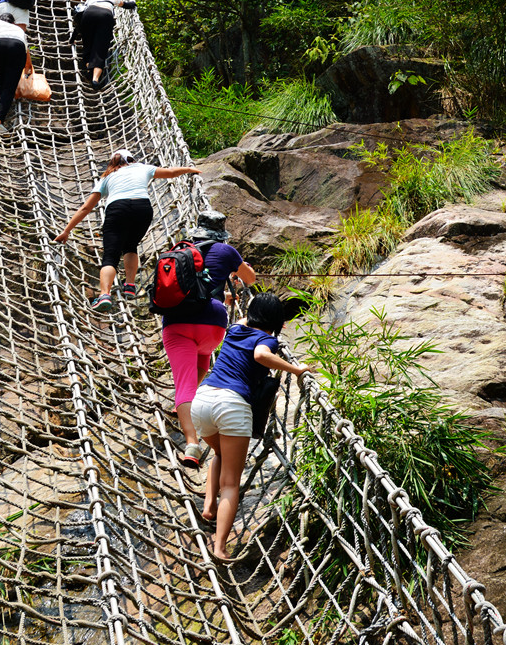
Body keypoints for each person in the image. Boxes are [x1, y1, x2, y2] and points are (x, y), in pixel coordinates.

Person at [191, 292, 316, 561]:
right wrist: (298, 371)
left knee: (220, 454)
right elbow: (260, 355)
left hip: (202, 400)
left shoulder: (235, 327)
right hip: (232, 405)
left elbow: (249, 315)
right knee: (231, 484)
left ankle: (209, 507)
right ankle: (220, 547)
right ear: (276, 321)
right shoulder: (266, 339)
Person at [161, 212, 257, 469]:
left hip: (177, 322)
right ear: (221, 233)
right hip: (212, 325)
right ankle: (187, 399)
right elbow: (250, 279)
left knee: (183, 383)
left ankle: (192, 443)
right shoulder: (227, 251)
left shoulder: (179, 249)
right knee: (203, 355)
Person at [53, 149, 201, 313]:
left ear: (113, 162)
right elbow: (171, 173)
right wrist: (189, 169)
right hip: (142, 208)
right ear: (131, 159)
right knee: (131, 245)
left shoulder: (107, 176)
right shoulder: (142, 167)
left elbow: (86, 207)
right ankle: (130, 285)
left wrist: (67, 231)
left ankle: (104, 295)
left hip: (118, 209)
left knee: (111, 255)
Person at [75, 0, 136, 89]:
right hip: (105, 15)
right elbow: (125, 5)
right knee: (100, 48)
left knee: (88, 44)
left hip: (88, 14)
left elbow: (80, 13)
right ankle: (95, 79)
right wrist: (133, 4)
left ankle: (88, 68)